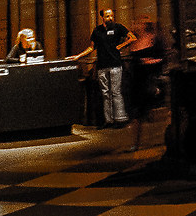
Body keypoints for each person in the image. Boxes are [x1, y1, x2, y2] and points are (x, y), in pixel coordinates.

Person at [71, 8, 130, 127]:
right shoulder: (97, 31)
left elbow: (132, 37)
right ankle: (109, 120)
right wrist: (78, 56)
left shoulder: (118, 27)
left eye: (112, 15)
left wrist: (121, 46)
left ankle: (120, 118)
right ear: (102, 17)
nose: (110, 18)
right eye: (107, 16)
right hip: (102, 65)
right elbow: (91, 47)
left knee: (116, 92)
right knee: (105, 93)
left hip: (115, 64)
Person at [123, 21, 167, 149]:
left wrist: (148, 62)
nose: (136, 25)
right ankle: (135, 143)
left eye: (140, 24)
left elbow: (161, 58)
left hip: (149, 79)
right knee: (135, 114)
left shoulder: (154, 40)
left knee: (153, 111)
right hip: (136, 81)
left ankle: (163, 138)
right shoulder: (134, 41)